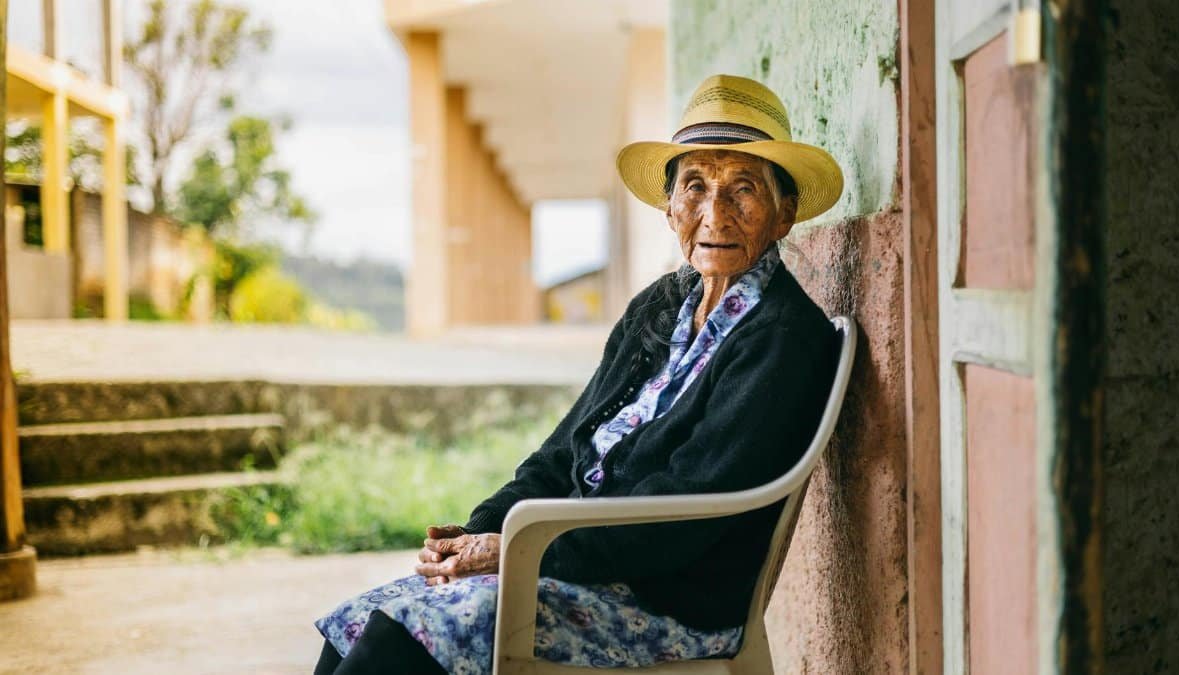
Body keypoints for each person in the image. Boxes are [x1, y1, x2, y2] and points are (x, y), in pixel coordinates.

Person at [312, 73, 844, 675]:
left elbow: (688, 507)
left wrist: (519, 551)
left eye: (742, 188)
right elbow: (565, 448)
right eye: (694, 185)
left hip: (663, 597)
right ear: (670, 208)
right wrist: (479, 531)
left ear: (784, 214)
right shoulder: (661, 306)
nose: (714, 212)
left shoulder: (783, 336)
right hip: (577, 561)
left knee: (400, 645)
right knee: (358, 624)